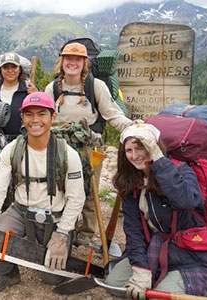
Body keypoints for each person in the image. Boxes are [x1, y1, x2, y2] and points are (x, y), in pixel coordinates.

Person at [0, 92, 86, 294]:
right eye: (29, 114)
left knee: (50, 277)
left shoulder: (68, 155)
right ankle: (7, 275)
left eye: (41, 114)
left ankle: (62, 244)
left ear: (52, 117)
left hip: (54, 216)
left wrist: (62, 233)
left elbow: (76, 199)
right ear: (22, 118)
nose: (35, 120)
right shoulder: (12, 150)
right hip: (20, 211)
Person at [105, 124, 207, 299]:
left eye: (140, 148)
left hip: (189, 254)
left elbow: (186, 201)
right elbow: (134, 231)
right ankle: (161, 279)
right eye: (129, 150)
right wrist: (140, 269)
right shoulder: (131, 182)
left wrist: (159, 161)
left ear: (154, 147)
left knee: (156, 297)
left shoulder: (182, 171)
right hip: (155, 250)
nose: (135, 156)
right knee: (114, 285)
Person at [45, 42, 133, 246]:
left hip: (90, 147)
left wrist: (132, 128)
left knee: (90, 190)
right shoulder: (53, 88)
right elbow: (45, 115)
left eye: (77, 59)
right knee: (61, 187)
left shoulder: (96, 86)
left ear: (84, 63)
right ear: (62, 61)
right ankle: (65, 227)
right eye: (68, 59)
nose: (72, 63)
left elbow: (113, 114)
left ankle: (86, 233)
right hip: (61, 146)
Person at [0, 52, 38, 144]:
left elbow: (41, 112)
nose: (10, 71)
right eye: (6, 67)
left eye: (14, 67)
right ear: (0, 70)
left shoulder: (30, 88)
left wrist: (37, 96)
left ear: (20, 69)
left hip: (24, 140)